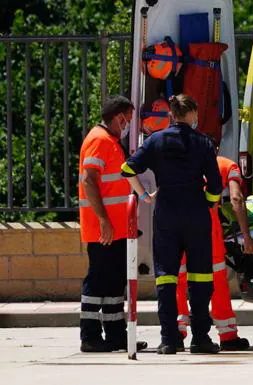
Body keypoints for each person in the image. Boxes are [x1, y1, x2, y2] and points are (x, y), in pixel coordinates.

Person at [121, 94, 222, 355]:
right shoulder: (203, 142)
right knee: (201, 276)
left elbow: (128, 168)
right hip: (196, 211)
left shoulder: (156, 140)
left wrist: (143, 196)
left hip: (166, 211)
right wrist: (209, 203)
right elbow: (214, 184)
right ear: (192, 114)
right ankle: (201, 338)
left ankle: (169, 340)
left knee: (166, 276)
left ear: (172, 115)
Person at [78, 95, 148, 353]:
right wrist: (104, 221)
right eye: (127, 119)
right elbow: (89, 180)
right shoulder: (98, 140)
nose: (129, 124)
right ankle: (91, 336)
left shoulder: (109, 141)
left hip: (117, 229)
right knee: (98, 282)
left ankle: (117, 336)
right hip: (104, 230)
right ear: (119, 117)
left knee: (114, 284)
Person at [177, 155, 253, 351]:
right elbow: (236, 198)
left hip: (178, 227)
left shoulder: (180, 160)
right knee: (217, 282)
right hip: (207, 230)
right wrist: (246, 235)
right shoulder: (227, 165)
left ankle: (176, 334)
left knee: (179, 281)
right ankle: (227, 334)